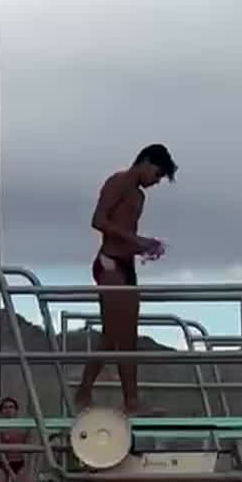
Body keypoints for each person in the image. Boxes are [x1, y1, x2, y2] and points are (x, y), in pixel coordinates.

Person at [74, 144, 178, 414]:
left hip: (126, 264)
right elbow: (98, 221)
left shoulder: (139, 197)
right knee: (115, 334)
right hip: (109, 264)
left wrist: (145, 247)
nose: (156, 182)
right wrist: (136, 240)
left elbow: (125, 233)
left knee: (124, 335)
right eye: (157, 174)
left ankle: (128, 400)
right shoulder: (118, 182)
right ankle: (87, 393)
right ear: (145, 162)